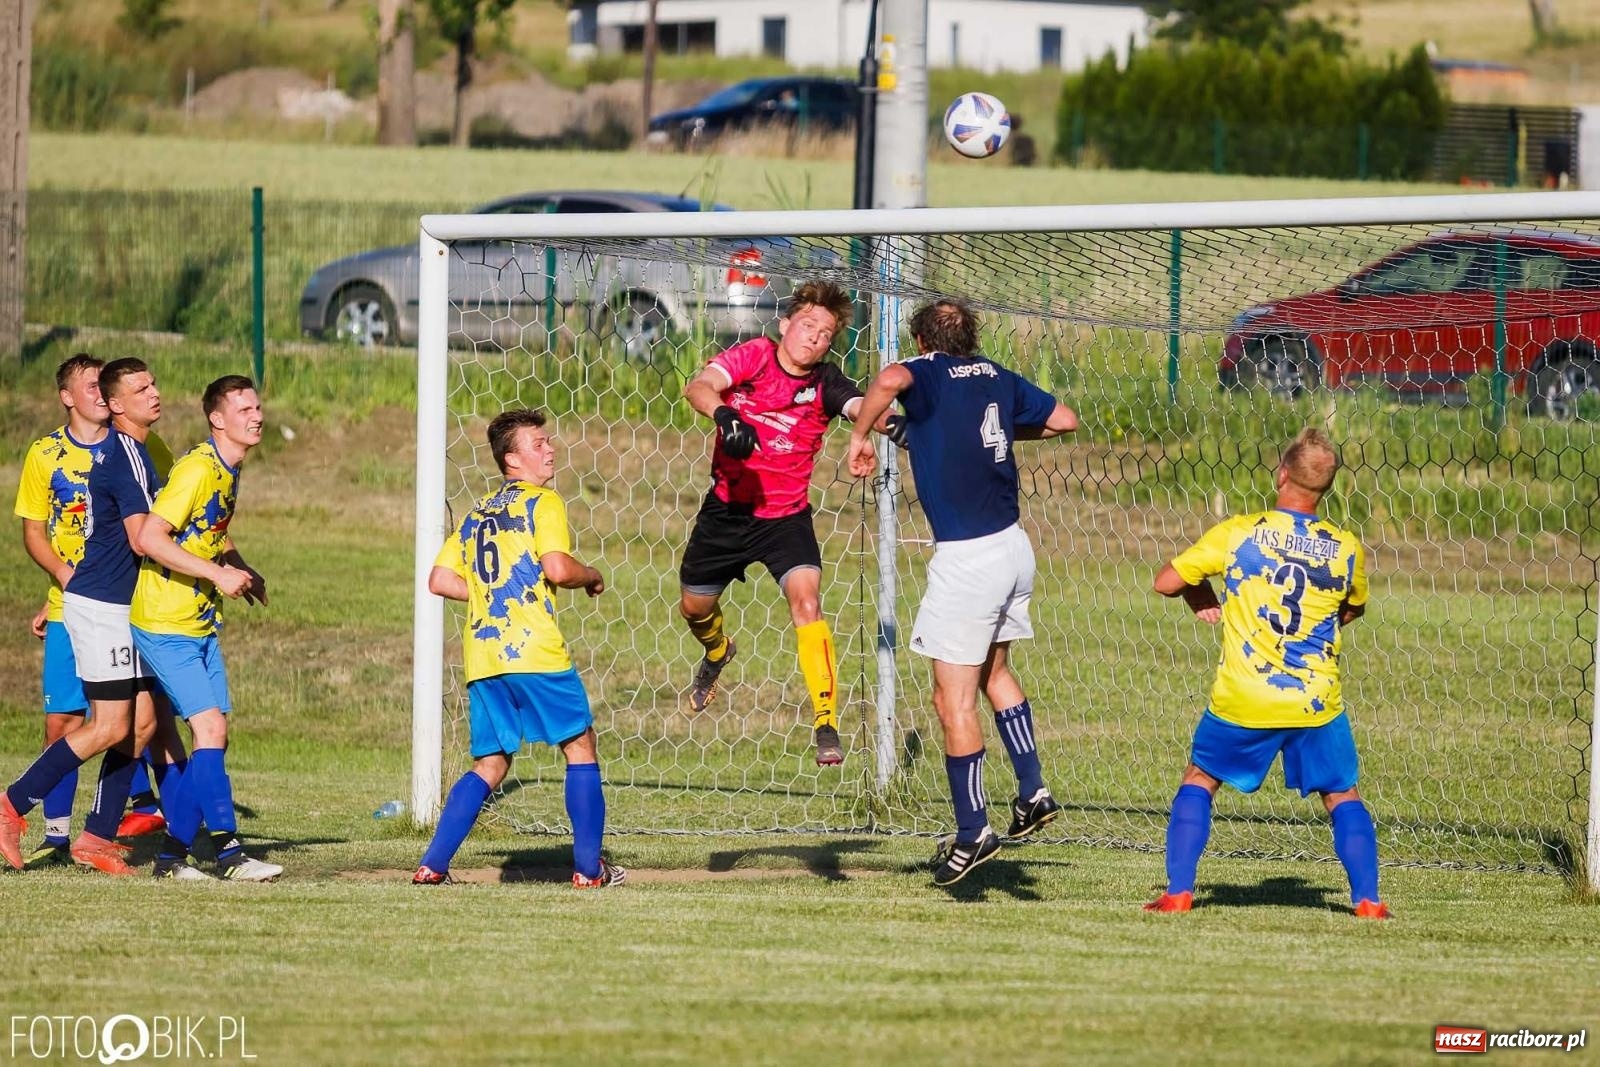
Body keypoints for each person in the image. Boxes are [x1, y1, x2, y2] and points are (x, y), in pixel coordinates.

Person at [847, 298, 1078, 886]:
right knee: (994, 674)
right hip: (1013, 548)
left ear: (922, 340)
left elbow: (889, 380)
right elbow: (1064, 420)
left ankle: (973, 831)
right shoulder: (996, 375)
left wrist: (858, 434)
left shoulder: (923, 370)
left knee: (952, 702)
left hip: (968, 561)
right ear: (970, 337)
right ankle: (1033, 790)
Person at [1145, 427, 1388, 919]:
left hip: (1245, 696)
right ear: (1327, 488)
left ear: (1281, 475)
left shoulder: (1239, 533)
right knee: (1342, 793)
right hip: (1314, 700)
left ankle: (1179, 893)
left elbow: (1166, 581)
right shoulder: (1346, 547)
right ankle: (1368, 901)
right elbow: (1351, 608)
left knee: (1200, 778)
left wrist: (1199, 592)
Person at [679, 280, 906, 766]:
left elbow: (860, 407)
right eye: (808, 326)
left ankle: (826, 723)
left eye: (826, 335)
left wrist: (893, 424)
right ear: (784, 325)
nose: (815, 338)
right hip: (725, 513)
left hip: (785, 520)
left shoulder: (825, 382)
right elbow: (698, 386)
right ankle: (717, 651)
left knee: (808, 603)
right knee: (694, 608)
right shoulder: (755, 357)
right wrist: (725, 415)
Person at [415, 409, 623, 889]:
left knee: (490, 764)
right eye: (538, 444)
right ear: (512, 459)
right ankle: (590, 871)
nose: (550, 449)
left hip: (484, 657)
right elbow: (558, 569)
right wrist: (591, 575)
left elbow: (440, 579)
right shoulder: (542, 502)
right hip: (533, 650)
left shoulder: (478, 512)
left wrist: (490, 595)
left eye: (548, 441)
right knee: (580, 745)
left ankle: (432, 866)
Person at [0, 359, 179, 875]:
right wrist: (209, 568)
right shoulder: (125, 455)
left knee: (142, 722)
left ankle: (96, 838)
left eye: (154, 383)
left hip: (124, 603)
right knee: (107, 726)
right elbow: (142, 539)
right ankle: (11, 806)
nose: (155, 393)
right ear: (118, 403)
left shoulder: (134, 450)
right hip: (103, 606)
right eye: (142, 388)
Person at [132, 375, 280, 882]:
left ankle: (171, 857)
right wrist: (218, 574)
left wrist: (240, 565)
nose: (257, 416)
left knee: (214, 738)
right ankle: (229, 853)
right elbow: (150, 537)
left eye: (257, 407)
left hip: (197, 620)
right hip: (163, 620)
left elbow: (211, 528)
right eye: (244, 410)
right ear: (217, 419)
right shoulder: (197, 468)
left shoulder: (227, 467)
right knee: (209, 729)